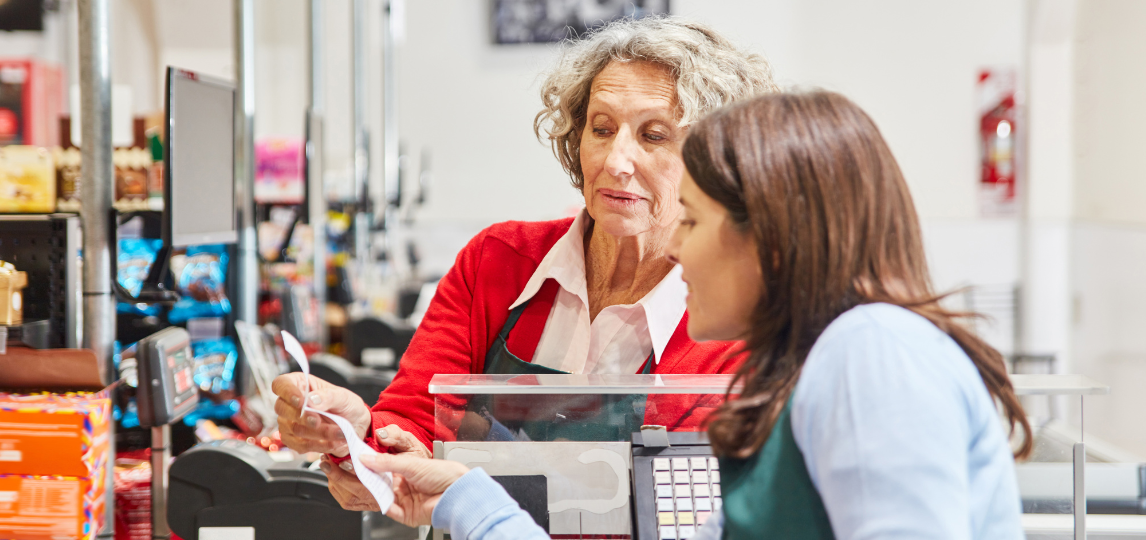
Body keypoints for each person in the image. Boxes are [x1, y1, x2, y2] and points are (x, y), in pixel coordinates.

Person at [359, 91, 1034, 540]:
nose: (677, 250)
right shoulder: (814, 371)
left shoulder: (872, 351)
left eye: (692, 221)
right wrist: (463, 501)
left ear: (768, 238)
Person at [272, 16, 779, 512]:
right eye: (600, 129)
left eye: (654, 136)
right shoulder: (497, 261)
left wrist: (472, 462)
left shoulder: (731, 318)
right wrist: (355, 437)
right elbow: (411, 423)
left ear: (714, 161)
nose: (615, 160)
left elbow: (681, 510)